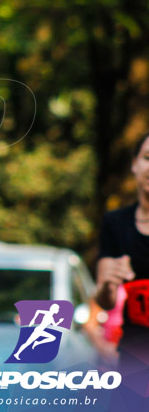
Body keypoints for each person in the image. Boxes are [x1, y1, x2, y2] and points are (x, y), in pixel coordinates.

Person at [96, 131, 149, 389]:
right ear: (135, 164)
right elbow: (104, 301)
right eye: (148, 157)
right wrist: (108, 284)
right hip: (134, 354)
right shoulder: (115, 223)